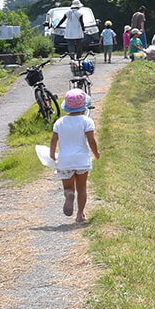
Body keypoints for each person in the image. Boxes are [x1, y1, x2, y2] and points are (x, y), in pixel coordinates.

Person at [50, 88, 100, 223]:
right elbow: (91, 140)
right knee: (82, 187)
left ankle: (69, 195)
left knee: (68, 187)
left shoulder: (59, 122)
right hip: (81, 160)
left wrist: (52, 155)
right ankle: (80, 214)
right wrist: (96, 153)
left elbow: (54, 140)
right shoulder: (86, 121)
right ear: (84, 106)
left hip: (65, 161)